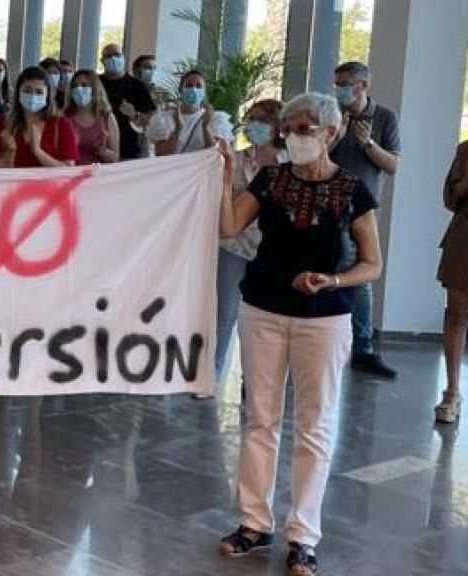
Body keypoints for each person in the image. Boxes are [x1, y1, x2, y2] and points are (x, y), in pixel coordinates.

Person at [217, 92, 382, 576]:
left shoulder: (353, 189)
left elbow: (371, 264)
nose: (293, 137)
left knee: (315, 426)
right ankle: (252, 522)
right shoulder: (271, 179)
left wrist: (331, 280)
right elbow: (228, 226)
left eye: (304, 129)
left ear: (330, 133)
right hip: (263, 309)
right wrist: (226, 172)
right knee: (259, 419)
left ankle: (303, 536)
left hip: (325, 318)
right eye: (289, 129)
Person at [329, 61, 401, 378]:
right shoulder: (330, 112)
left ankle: (363, 347)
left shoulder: (384, 118)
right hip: (327, 203)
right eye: (337, 83)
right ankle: (327, 336)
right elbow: (314, 154)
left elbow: (393, 165)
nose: (341, 89)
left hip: (363, 209)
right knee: (326, 266)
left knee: (363, 275)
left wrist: (367, 143)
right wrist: (336, 136)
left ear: (363, 85)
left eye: (346, 83)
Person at [215, 99, 288, 384]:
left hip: (272, 248)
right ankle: (213, 374)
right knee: (225, 313)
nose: (256, 125)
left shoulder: (290, 164)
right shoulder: (236, 160)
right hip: (235, 244)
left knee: (264, 318)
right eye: (252, 119)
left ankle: (255, 380)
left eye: (264, 120)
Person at [0, 65, 79, 168]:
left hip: (49, 184)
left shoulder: (61, 125)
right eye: (27, 91)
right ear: (18, 93)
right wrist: (10, 153)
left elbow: (69, 169)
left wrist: (38, 151)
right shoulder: (3, 123)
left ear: (47, 96)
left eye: (39, 92)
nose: (33, 96)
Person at [436, 140, 468, 424]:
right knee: (457, 311)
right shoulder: (466, 150)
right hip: (465, 237)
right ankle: (452, 390)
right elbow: (449, 198)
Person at [147, 70, 234, 155]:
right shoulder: (165, 118)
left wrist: (205, 127)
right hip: (173, 169)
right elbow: (161, 154)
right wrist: (178, 128)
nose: (194, 89)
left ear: (204, 91)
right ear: (181, 90)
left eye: (198, 86)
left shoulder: (215, 118)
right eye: (189, 85)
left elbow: (217, 154)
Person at [99, 43, 156, 160]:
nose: (113, 59)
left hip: (128, 151)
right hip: (98, 150)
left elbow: (151, 120)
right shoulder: (96, 84)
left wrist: (135, 114)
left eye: (117, 55)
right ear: (102, 61)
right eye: (108, 56)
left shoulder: (137, 86)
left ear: (124, 58)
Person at [65, 69, 119, 165]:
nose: (78, 89)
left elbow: (114, 157)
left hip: (98, 176)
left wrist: (101, 150)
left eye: (84, 85)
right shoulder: (64, 117)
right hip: (70, 174)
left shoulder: (107, 117)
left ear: (95, 89)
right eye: (75, 86)